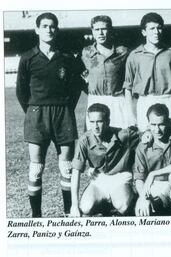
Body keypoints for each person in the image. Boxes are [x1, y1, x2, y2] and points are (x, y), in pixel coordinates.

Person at [16, 12, 84, 217]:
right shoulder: (28, 58)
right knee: (36, 168)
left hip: (63, 114)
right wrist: (33, 111)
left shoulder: (66, 57)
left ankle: (67, 211)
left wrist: (66, 108)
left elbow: (75, 87)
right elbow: (21, 92)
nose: (49, 29)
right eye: (44, 26)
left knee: (66, 167)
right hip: (37, 115)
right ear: (37, 29)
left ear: (57, 29)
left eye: (52, 26)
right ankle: (37, 216)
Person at [70, 104, 139, 217]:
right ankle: (106, 206)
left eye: (99, 121)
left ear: (107, 121)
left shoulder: (123, 135)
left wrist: (148, 135)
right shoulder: (85, 140)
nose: (95, 126)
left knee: (123, 206)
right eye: (92, 122)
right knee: (86, 208)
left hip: (120, 177)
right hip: (100, 178)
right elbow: (76, 172)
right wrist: (74, 205)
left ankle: (131, 197)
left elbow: (147, 134)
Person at [124, 12, 171, 131]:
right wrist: (130, 114)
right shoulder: (134, 55)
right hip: (146, 101)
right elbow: (128, 87)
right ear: (144, 32)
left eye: (159, 28)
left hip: (169, 100)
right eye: (152, 28)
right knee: (147, 140)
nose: (156, 32)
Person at [134, 104, 171, 216]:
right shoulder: (143, 145)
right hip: (154, 185)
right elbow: (139, 177)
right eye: (153, 124)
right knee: (142, 211)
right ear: (148, 124)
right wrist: (143, 198)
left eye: (161, 124)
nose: (157, 129)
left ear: (168, 122)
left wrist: (153, 174)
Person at [81, 15, 132, 129]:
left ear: (110, 30)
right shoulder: (86, 53)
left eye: (104, 29)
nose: (101, 33)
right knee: (95, 139)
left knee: (119, 137)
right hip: (95, 99)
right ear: (92, 32)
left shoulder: (123, 52)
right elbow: (78, 76)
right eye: (97, 29)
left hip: (117, 100)